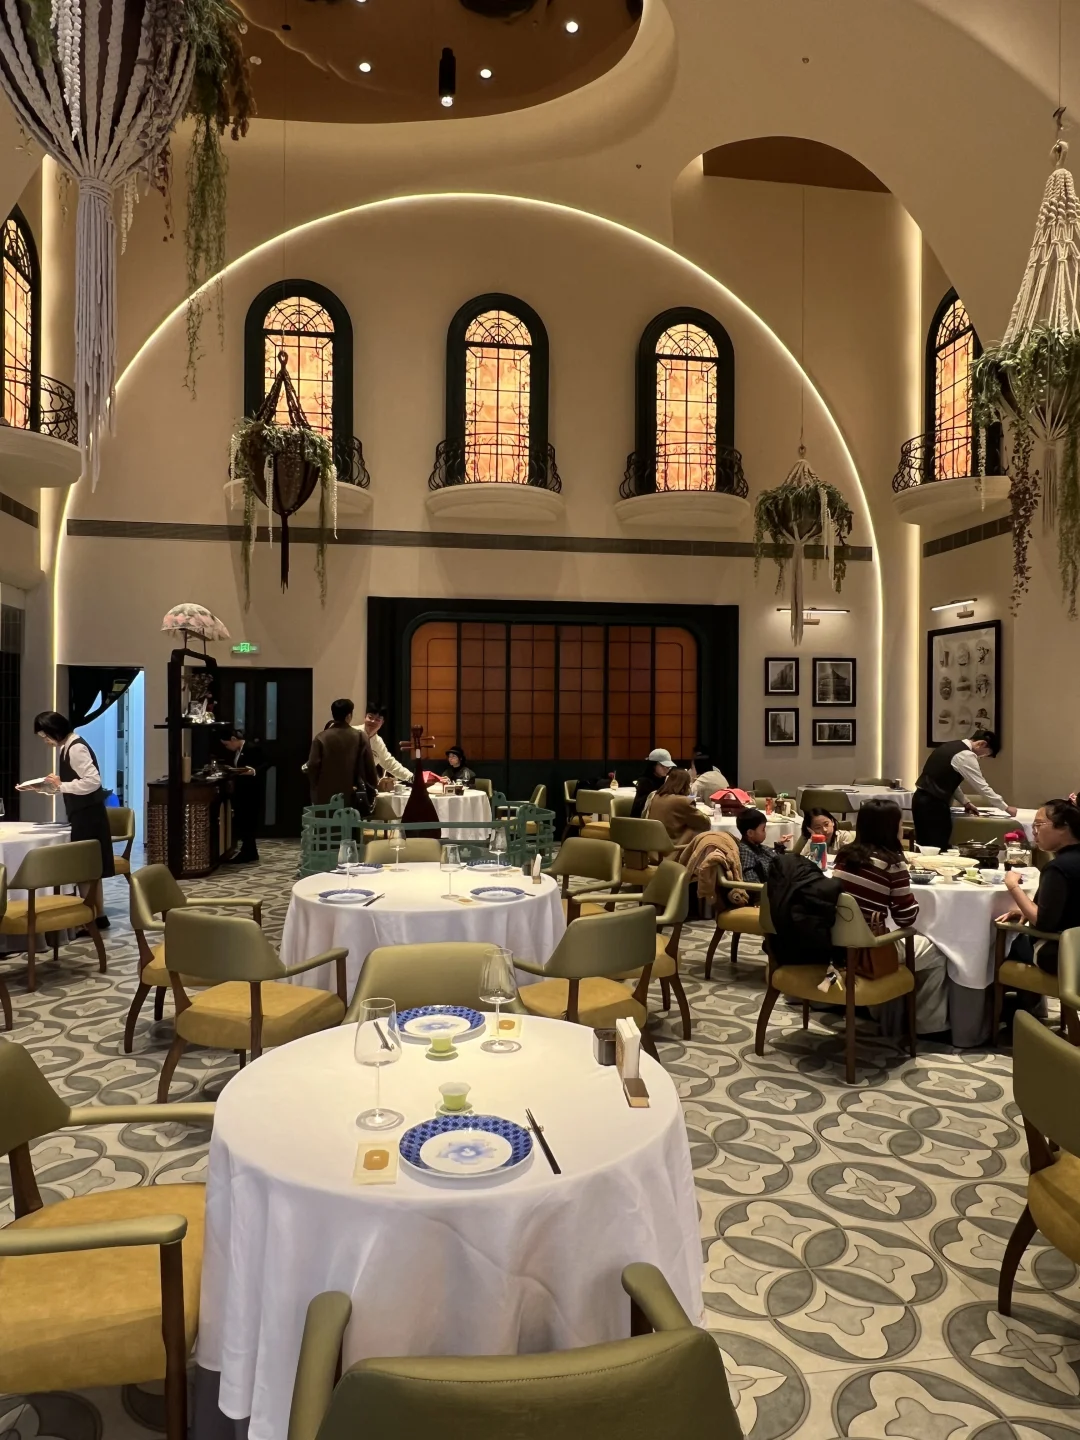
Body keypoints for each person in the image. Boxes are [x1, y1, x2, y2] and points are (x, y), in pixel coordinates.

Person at [833, 797, 948, 1034]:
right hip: (869, 948)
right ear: (891, 828)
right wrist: (916, 903)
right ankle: (927, 1026)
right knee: (939, 954)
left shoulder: (844, 857)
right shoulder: (892, 865)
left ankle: (884, 1012)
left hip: (838, 943)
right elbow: (905, 918)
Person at [33, 710, 113, 928]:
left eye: (45, 736)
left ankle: (93, 918)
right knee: (89, 868)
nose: (46, 741)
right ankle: (97, 916)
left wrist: (61, 785)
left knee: (86, 867)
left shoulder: (76, 748)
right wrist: (50, 786)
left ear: (55, 731)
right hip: (84, 813)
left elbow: (92, 782)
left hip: (88, 815)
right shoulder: (66, 747)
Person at [1002, 798, 1080, 974]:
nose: (1034, 832)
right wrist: (1027, 910)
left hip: (1065, 954)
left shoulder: (1058, 868)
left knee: (1007, 943)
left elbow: (1044, 923)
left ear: (1064, 827)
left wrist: (1013, 886)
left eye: (1038, 825)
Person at [912, 729, 1016, 850]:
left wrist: (965, 802)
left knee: (925, 846)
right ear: (981, 744)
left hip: (920, 800)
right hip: (933, 805)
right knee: (936, 846)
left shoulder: (950, 746)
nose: (981, 757)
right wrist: (1006, 807)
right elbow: (981, 786)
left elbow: (947, 781)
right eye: (985, 754)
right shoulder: (965, 755)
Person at [306, 698, 377, 812]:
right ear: (349, 716)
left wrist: (315, 791)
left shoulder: (321, 738)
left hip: (325, 799)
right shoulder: (360, 737)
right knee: (350, 822)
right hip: (352, 797)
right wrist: (372, 791)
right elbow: (370, 769)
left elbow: (312, 766)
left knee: (326, 823)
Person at [216, 729, 263, 864]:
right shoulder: (237, 751)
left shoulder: (251, 748)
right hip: (242, 790)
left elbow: (266, 762)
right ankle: (249, 850)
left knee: (248, 820)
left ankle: (249, 851)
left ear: (233, 739)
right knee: (243, 821)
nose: (227, 748)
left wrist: (253, 771)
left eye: (227, 744)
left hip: (251, 790)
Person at [647, 768, 711, 850]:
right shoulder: (683, 801)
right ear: (685, 785)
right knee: (696, 831)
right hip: (672, 849)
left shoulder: (655, 797)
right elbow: (705, 824)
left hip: (653, 849)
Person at [358, 702, 413, 788]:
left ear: (382, 722)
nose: (373, 721)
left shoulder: (378, 742)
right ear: (365, 717)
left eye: (377, 719)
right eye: (370, 717)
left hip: (365, 786)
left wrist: (411, 777)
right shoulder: (352, 733)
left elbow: (389, 763)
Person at [736, 807, 784, 884]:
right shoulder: (746, 852)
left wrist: (779, 845)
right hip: (774, 886)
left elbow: (774, 856)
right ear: (750, 833)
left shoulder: (757, 846)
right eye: (763, 829)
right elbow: (752, 882)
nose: (765, 832)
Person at [631, 748, 675, 817]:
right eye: (663, 766)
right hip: (643, 819)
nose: (666, 769)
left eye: (669, 767)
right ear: (653, 765)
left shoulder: (666, 780)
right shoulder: (645, 782)